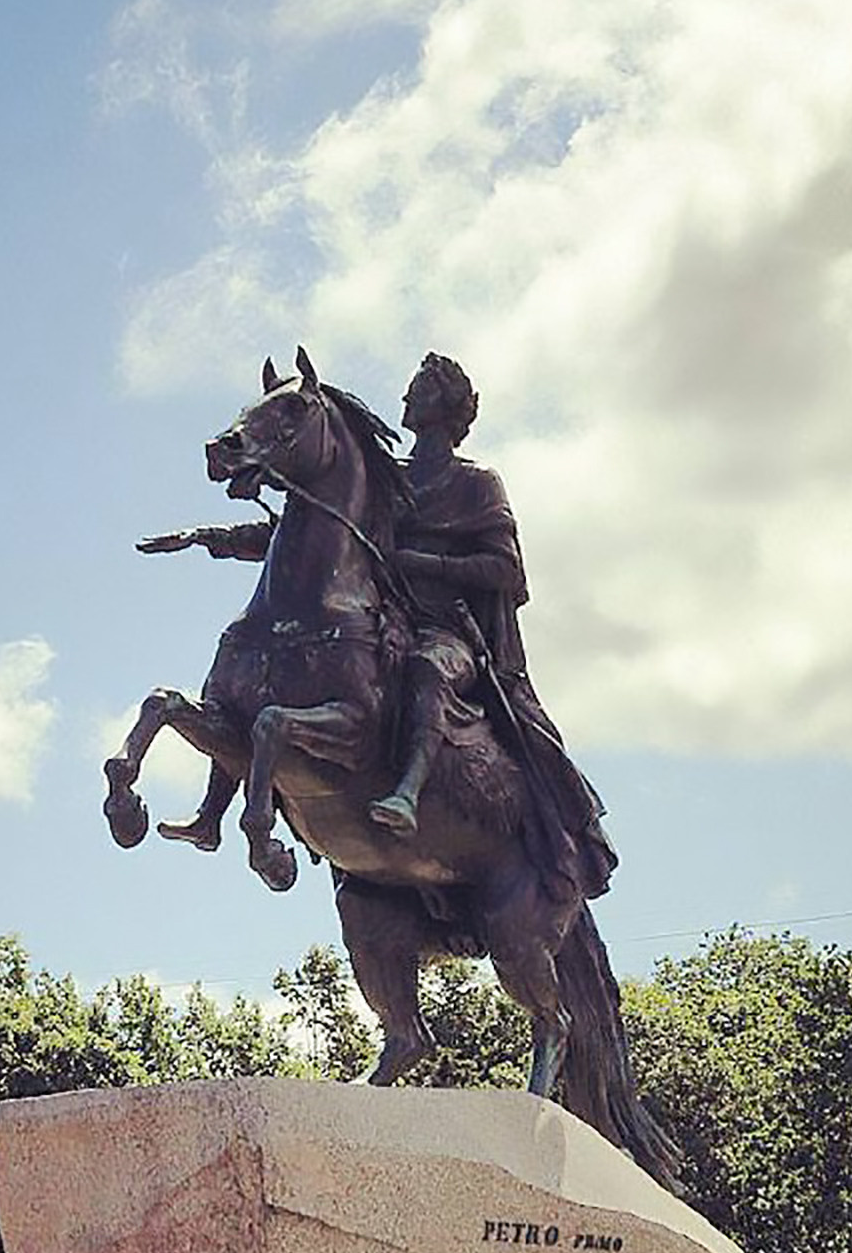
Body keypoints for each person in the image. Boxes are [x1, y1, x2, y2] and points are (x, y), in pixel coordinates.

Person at [139, 353, 615, 900]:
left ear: (448, 409)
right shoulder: (386, 477)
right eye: (412, 388)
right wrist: (209, 538)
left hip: (444, 629)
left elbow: (506, 569)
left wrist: (421, 563)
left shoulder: (476, 484)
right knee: (251, 666)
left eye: (422, 390)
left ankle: (409, 791)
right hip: (379, 616)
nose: (408, 397)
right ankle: (217, 812)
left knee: (426, 669)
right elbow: (312, 535)